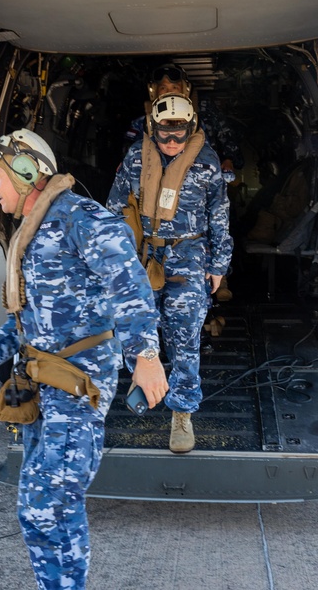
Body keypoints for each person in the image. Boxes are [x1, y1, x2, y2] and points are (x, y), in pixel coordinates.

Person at [0, 129, 167, 590]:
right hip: (40, 384)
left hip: (77, 385)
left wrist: (146, 355)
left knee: (46, 503)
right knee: (41, 509)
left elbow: (130, 287)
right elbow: (26, 321)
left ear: (26, 172)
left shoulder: (83, 220)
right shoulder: (32, 231)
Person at [107, 93, 233, 453]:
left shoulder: (206, 163)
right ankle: (144, 385)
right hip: (144, 256)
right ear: (153, 130)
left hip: (189, 258)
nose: (173, 142)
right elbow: (115, 209)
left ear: (190, 128)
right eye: (165, 135)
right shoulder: (136, 159)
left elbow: (219, 217)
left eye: (179, 134)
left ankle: (181, 415)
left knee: (185, 339)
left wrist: (218, 267)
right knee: (136, 330)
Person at [125, 63, 245, 176]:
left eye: (174, 87)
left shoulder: (200, 114)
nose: (169, 91)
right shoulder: (143, 122)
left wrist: (229, 160)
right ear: (154, 90)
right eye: (163, 87)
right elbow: (129, 152)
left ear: (184, 89)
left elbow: (225, 135)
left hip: (196, 178)